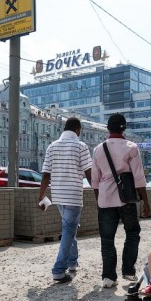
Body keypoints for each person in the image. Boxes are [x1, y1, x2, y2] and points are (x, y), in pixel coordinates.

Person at [91, 113, 151, 288]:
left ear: (108, 128)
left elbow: (95, 179)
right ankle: (128, 271)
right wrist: (145, 202)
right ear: (124, 128)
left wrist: (99, 200)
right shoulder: (131, 147)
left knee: (107, 239)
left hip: (105, 201)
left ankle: (109, 277)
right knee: (132, 233)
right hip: (127, 200)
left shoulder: (98, 149)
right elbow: (138, 177)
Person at [38, 117, 93, 283]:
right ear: (78, 130)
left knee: (70, 229)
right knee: (69, 230)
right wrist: (99, 193)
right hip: (74, 196)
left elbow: (46, 174)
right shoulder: (81, 146)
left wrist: (40, 197)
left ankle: (72, 261)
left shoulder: (52, 146)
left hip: (58, 196)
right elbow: (89, 173)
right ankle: (58, 270)